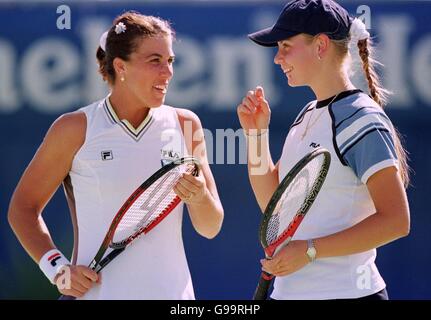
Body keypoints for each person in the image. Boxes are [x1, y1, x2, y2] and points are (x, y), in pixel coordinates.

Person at [8, 11, 224, 300]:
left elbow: (211, 227)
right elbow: (23, 208)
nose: (168, 72)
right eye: (155, 61)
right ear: (121, 66)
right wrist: (57, 269)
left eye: (170, 61)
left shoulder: (186, 124)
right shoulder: (74, 128)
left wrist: (199, 199)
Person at [237, 0, 410, 300]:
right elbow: (274, 208)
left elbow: (396, 220)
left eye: (286, 46)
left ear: (320, 46)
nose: (278, 58)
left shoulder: (361, 118)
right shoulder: (307, 114)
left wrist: (310, 250)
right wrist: (255, 136)